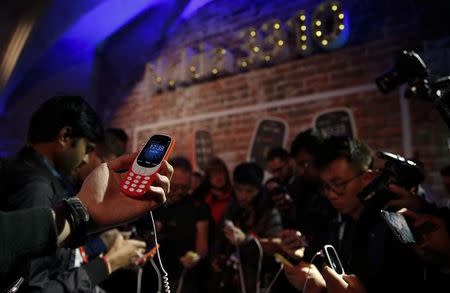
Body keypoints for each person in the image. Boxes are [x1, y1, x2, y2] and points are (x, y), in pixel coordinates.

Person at [284, 136, 426, 293]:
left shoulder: (396, 222)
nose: (331, 194)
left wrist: (320, 290)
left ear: (367, 177)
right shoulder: (338, 221)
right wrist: (301, 253)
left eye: (338, 184)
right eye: (326, 186)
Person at [0, 151, 173, 276]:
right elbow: (38, 281)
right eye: (87, 148)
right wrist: (108, 264)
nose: (85, 159)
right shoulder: (38, 187)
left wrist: (85, 212)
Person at [218, 162, 283, 293]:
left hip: (260, 282)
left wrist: (245, 240)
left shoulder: (270, 212)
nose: (242, 195)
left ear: (259, 189)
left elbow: (276, 248)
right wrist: (218, 256)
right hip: (233, 280)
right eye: (238, 189)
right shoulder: (233, 207)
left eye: (249, 191)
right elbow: (219, 236)